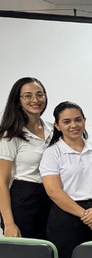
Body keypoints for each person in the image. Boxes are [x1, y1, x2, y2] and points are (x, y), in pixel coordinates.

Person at [39, 102, 92, 258]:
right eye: (67, 121)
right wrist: (85, 215)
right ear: (57, 126)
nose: (74, 125)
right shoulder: (52, 153)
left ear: (84, 121)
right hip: (67, 215)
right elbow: (54, 191)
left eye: (78, 120)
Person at [0, 77, 52, 239]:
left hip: (52, 196)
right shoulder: (11, 135)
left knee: (50, 251)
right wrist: (9, 223)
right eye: (28, 96)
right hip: (24, 198)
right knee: (27, 256)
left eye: (39, 94)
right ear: (18, 100)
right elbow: (1, 181)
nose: (35, 100)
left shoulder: (52, 129)